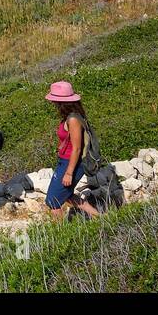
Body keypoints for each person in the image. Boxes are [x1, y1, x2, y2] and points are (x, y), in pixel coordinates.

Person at [43, 81, 101, 221]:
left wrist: (69, 173)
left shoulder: (73, 119)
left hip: (72, 164)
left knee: (53, 201)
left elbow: (77, 149)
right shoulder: (70, 116)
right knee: (66, 195)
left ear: (61, 102)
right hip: (65, 161)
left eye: (54, 101)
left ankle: (58, 236)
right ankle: (99, 217)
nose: (53, 103)